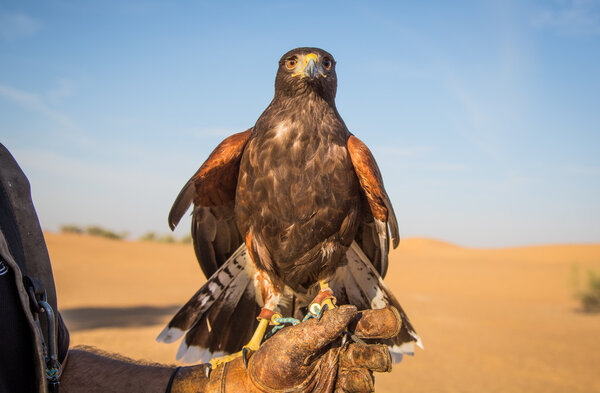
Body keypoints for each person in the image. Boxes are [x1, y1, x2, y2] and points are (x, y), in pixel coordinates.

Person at [0, 143, 399, 393]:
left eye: (324, 63)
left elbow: (49, 370)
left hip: (333, 262)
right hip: (264, 267)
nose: (310, 69)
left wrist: (232, 386)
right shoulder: (244, 145)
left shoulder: (6, 184)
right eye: (293, 63)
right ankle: (261, 324)